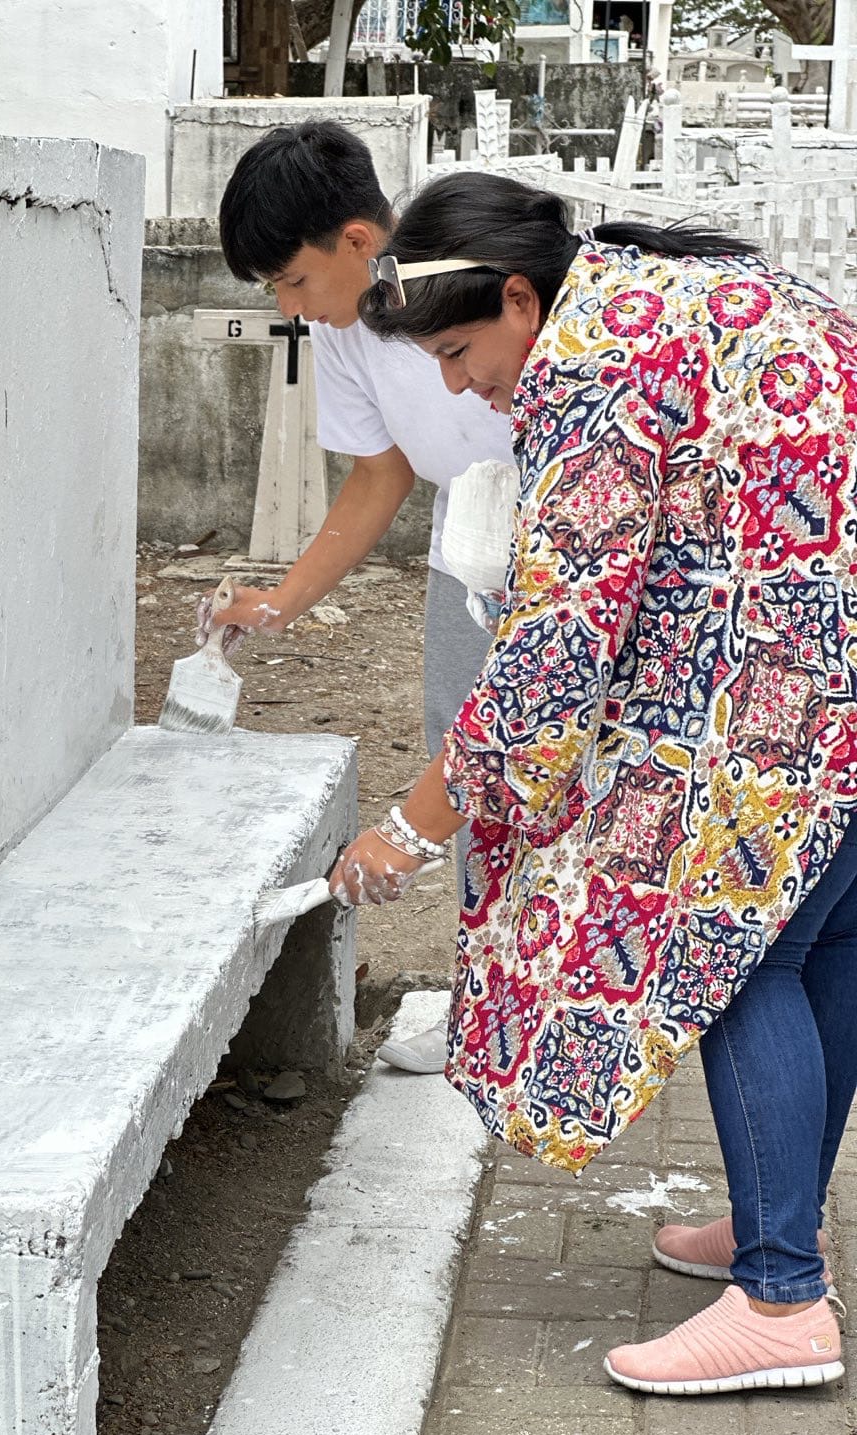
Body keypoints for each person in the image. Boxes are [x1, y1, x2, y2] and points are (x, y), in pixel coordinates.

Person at [329, 169, 857, 1396]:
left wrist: (409, 828)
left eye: (458, 353)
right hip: (825, 653)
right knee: (827, 942)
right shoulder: (672, 287)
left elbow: (553, 650)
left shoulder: (591, 362)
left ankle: (783, 1298)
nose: (460, 386)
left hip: (796, 680)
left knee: (736, 956)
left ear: (521, 299)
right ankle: (781, 1225)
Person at [213, 121, 515, 1074]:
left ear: (356, 241)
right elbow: (380, 472)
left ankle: (571, 1002)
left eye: (293, 281)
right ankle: (488, 1010)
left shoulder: (469, 271)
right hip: (467, 540)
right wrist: (282, 599)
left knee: (544, 759)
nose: (289, 307)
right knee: (467, 760)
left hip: (571, 529)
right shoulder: (341, 327)